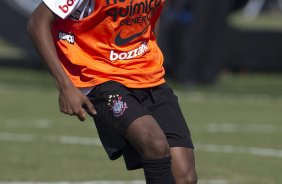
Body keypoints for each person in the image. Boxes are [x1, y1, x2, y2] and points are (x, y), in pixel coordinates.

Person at [27, 0, 197, 183]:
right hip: (99, 76)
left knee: (184, 176)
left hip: (148, 74)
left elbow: (152, 17)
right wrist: (65, 87)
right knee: (154, 143)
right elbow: (37, 22)